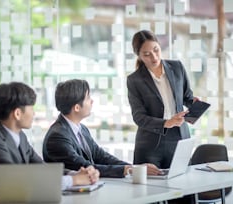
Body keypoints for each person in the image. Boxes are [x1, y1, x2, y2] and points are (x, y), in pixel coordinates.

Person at [0, 82, 100, 195]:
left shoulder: (19, 137)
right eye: (31, 108)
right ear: (18, 113)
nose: (34, 113)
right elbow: (21, 183)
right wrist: (74, 180)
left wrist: (75, 174)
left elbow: (43, 168)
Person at [127, 30, 197, 203]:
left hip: (179, 139)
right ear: (139, 56)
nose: (154, 57)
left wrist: (195, 103)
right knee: (150, 197)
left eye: (156, 50)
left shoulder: (177, 67)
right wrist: (166, 122)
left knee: (182, 193)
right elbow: (138, 117)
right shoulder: (134, 80)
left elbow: (187, 96)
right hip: (150, 145)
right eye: (147, 54)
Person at [43, 79, 161, 178]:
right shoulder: (57, 136)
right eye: (88, 97)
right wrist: (128, 170)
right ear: (77, 107)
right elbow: (84, 167)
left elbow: (100, 156)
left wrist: (135, 168)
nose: (92, 101)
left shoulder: (81, 129)